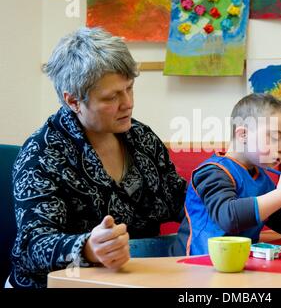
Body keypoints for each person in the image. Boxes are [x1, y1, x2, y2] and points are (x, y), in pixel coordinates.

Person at [8, 27, 187, 288]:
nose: (127, 103)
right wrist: (88, 247)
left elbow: (179, 198)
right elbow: (31, 246)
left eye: (129, 88)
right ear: (73, 101)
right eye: (111, 97)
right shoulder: (42, 156)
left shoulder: (141, 138)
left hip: (133, 279)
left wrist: (229, 199)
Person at [171, 93, 281, 256]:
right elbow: (228, 217)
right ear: (243, 135)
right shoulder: (212, 172)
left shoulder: (261, 177)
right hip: (196, 265)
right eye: (275, 137)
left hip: (236, 264)